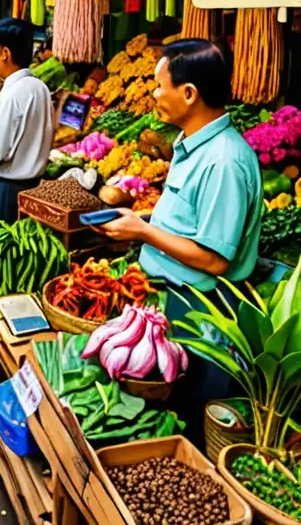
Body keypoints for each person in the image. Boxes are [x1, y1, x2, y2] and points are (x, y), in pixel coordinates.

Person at [97, 40, 261, 435]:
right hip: (168, 299)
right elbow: (191, 223)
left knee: (184, 414)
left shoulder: (224, 161)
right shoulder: (194, 146)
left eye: (159, 86)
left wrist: (143, 230)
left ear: (189, 94)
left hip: (200, 312)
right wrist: (144, 220)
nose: (154, 95)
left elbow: (213, 259)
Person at [0, 18, 54, 222]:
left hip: (7, 191)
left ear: (5, 54)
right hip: (33, 186)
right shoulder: (40, 88)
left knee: (2, 249)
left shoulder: (15, 92)